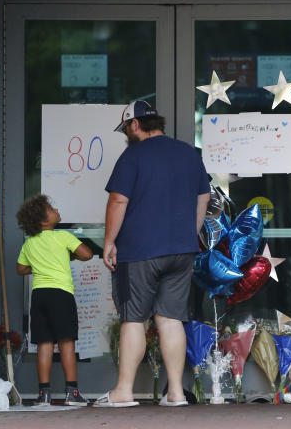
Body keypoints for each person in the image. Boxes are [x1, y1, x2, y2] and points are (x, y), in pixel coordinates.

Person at [94, 100, 210, 408]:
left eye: (126, 129)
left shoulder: (133, 155)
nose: (126, 135)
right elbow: (204, 196)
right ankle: (175, 393)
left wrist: (109, 241)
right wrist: (189, 233)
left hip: (139, 251)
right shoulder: (188, 153)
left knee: (134, 319)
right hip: (181, 250)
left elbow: (118, 201)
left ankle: (123, 391)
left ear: (135, 125)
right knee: (171, 319)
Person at [15, 195, 93, 407]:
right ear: (44, 221)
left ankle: (44, 395)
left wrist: (40, 268)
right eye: (51, 208)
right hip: (61, 294)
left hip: (39, 295)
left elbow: (20, 268)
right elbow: (87, 254)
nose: (56, 209)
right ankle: (72, 392)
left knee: (44, 344)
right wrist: (71, 256)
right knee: (66, 342)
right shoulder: (63, 237)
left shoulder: (29, 243)